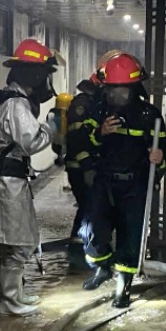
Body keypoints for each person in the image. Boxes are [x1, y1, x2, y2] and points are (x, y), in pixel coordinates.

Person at [79, 53, 166, 308]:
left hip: (135, 185)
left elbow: (164, 147)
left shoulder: (149, 115)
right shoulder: (98, 111)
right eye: (112, 90)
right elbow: (84, 143)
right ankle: (101, 268)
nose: (117, 97)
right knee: (95, 229)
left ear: (133, 89)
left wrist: (159, 156)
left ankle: (123, 285)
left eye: (123, 91)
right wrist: (101, 132)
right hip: (104, 182)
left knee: (131, 236)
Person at [0, 38, 59, 316]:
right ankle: (8, 301)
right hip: (9, 184)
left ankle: (13, 296)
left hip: (10, 181)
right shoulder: (16, 104)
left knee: (15, 243)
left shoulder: (8, 99)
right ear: (35, 75)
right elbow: (30, 142)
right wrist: (50, 129)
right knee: (18, 244)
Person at [65, 73, 102, 241]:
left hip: (87, 164)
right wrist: (87, 165)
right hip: (78, 166)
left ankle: (82, 239)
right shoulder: (82, 103)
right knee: (87, 203)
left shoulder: (94, 103)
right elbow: (77, 137)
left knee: (89, 204)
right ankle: (78, 240)